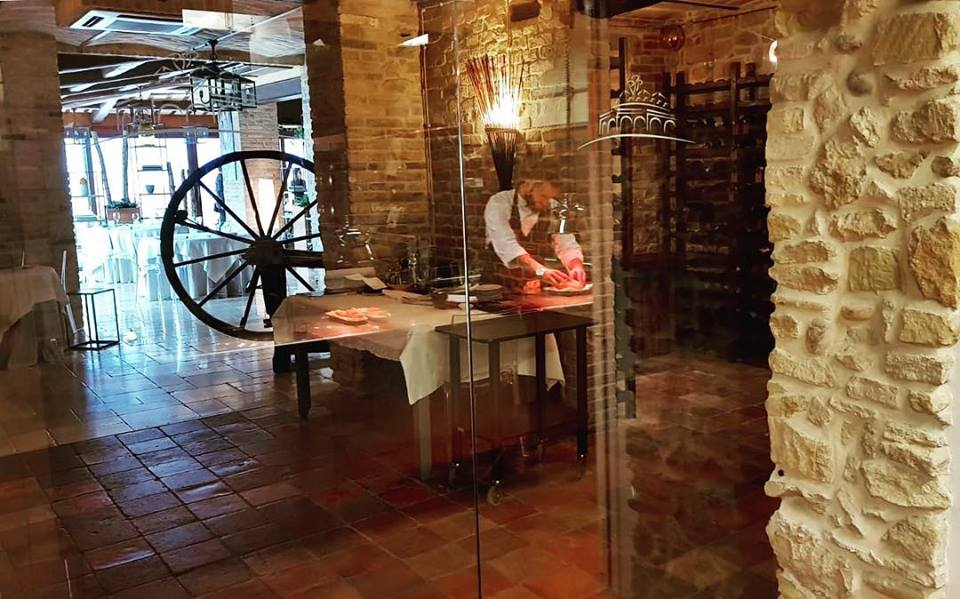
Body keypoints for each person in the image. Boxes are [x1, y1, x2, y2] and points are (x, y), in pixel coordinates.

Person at [484, 180, 587, 290]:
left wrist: (576, 266)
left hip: (534, 286)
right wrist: (540, 270)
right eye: (543, 196)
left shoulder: (553, 206)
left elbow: (566, 243)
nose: (547, 202)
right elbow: (506, 244)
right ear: (528, 185)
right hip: (498, 286)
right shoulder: (499, 202)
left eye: (550, 197)